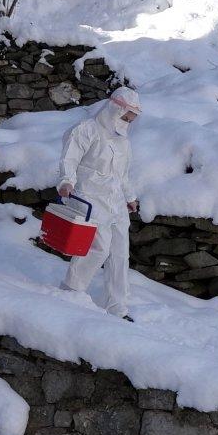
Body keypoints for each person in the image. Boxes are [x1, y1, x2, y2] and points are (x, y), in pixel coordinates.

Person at [57, 87, 142, 320]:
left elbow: (122, 174)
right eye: (125, 117)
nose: (127, 122)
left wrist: (130, 197)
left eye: (131, 119)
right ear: (114, 109)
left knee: (120, 254)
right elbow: (69, 159)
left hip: (115, 202)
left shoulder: (123, 141)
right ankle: (72, 290)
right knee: (98, 247)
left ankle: (117, 307)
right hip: (90, 197)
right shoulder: (86, 130)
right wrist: (66, 181)